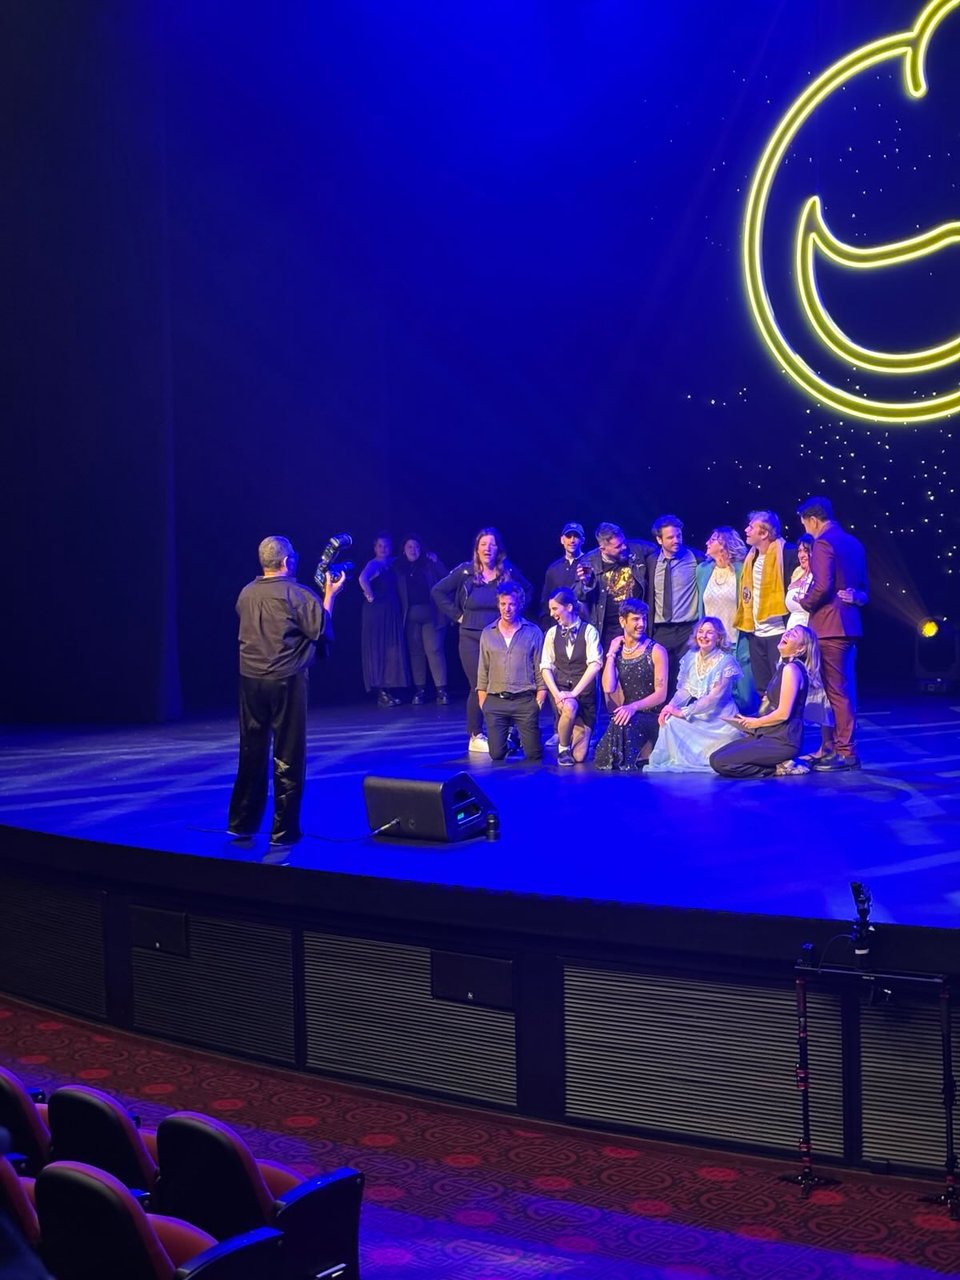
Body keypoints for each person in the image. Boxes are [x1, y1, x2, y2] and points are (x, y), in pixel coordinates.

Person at [228, 534, 346, 847]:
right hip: (285, 680)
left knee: (251, 751)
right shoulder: (297, 594)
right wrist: (330, 595)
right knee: (288, 756)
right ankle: (284, 830)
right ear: (286, 562)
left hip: (250, 681)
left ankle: (241, 823)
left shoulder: (246, 593)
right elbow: (321, 630)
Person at [432, 528, 532, 753]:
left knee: (504, 683)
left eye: (492, 544)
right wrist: (457, 615)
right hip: (471, 636)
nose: (488, 548)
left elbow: (527, 589)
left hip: (499, 637)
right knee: (479, 685)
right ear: (477, 549)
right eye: (483, 544)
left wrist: (514, 613)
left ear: (498, 548)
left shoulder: (507, 571)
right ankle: (475, 734)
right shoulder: (465, 572)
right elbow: (438, 591)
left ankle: (504, 730)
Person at [795, 496, 869, 771]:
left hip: (829, 626)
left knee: (837, 691)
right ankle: (841, 748)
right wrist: (857, 597)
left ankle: (845, 752)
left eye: (805, 523)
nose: (807, 529)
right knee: (843, 689)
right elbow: (863, 588)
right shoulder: (854, 542)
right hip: (848, 624)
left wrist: (805, 602)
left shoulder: (824, 543)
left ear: (813, 520)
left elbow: (822, 585)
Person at [710, 626, 818, 778]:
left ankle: (779, 768)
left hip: (782, 741)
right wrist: (749, 723)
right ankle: (778, 763)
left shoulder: (792, 670)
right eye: (788, 631)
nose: (787, 633)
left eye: (793, 635)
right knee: (715, 757)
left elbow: (783, 714)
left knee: (722, 762)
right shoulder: (783, 667)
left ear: (800, 649)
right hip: (767, 735)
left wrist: (756, 723)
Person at [646, 617, 742, 772]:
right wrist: (670, 707)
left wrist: (683, 712)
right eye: (701, 631)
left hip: (720, 720)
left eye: (710, 632)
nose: (704, 636)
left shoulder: (727, 662)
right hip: (700, 714)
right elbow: (685, 690)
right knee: (669, 721)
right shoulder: (691, 657)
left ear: (719, 637)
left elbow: (713, 698)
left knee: (678, 718)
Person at [594, 599, 667, 771]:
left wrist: (633, 707)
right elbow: (608, 687)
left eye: (643, 619)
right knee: (610, 740)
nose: (641, 624)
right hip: (627, 713)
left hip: (651, 714)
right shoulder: (618, 652)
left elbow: (661, 694)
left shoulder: (656, 651)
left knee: (624, 725)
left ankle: (646, 752)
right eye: (635, 619)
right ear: (622, 621)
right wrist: (611, 654)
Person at [733, 510, 799, 700]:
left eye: (751, 527)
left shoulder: (788, 554)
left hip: (779, 632)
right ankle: (766, 727)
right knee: (762, 689)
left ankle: (784, 728)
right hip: (756, 633)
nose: (746, 530)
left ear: (764, 533)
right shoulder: (750, 558)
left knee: (783, 689)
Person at [476, 583, 546, 761]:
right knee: (497, 754)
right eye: (503, 604)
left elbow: (541, 667)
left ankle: (523, 735)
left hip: (524, 700)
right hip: (496, 701)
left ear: (519, 604)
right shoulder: (488, 633)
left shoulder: (533, 632)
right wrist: (484, 703)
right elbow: (483, 669)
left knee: (533, 754)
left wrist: (539, 700)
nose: (507, 609)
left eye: (511, 604)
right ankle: (511, 738)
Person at [540, 587, 603, 765]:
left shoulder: (589, 631)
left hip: (585, 694)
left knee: (580, 757)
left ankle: (574, 726)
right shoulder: (551, 634)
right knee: (569, 707)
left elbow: (595, 665)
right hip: (561, 691)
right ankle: (563, 749)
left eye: (555, 609)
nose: (552, 614)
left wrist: (574, 693)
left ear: (568, 607)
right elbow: (545, 667)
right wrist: (557, 694)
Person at [696, 525, 755, 710]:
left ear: (723, 544)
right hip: (713, 644)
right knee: (715, 696)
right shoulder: (703, 570)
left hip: (738, 640)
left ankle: (747, 733)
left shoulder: (741, 570)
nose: (707, 542)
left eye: (712, 540)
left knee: (743, 695)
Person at [575, 522, 656, 653]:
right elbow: (577, 596)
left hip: (637, 625)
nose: (624, 547)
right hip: (607, 630)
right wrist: (586, 583)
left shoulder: (637, 550)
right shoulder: (588, 562)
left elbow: (663, 550)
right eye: (618, 546)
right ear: (603, 549)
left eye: (624, 542)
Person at [645, 514, 701, 697]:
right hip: (661, 630)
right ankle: (664, 719)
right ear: (659, 539)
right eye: (670, 537)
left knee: (688, 677)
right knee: (663, 678)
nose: (676, 540)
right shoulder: (651, 562)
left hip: (689, 629)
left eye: (679, 535)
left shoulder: (695, 558)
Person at [394, 536, 449, 704]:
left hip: (431, 614)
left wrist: (437, 560)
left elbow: (447, 577)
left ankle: (442, 690)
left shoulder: (429, 564)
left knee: (434, 650)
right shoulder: (399, 568)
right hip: (410, 616)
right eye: (409, 547)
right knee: (415, 653)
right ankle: (420, 690)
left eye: (416, 547)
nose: (413, 550)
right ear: (404, 550)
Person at [359, 533, 409, 706]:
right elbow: (362, 578)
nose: (383, 549)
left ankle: (387, 690)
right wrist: (370, 595)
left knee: (391, 649)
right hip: (378, 612)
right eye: (380, 546)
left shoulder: (392, 563)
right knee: (379, 648)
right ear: (375, 548)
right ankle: (381, 691)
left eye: (386, 546)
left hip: (390, 610)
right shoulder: (373, 564)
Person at [538, 522, 586, 629]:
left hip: (582, 626)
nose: (572, 540)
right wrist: (547, 628)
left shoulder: (590, 564)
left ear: (582, 540)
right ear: (562, 540)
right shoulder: (554, 569)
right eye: (568, 536)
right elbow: (545, 602)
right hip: (557, 627)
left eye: (576, 536)